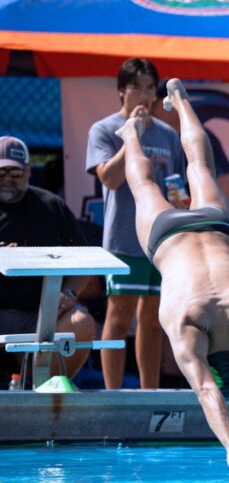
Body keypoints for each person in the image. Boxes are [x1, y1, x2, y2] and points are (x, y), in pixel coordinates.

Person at [118, 80, 229, 475]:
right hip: (168, 236)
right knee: (143, 185)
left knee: (199, 167)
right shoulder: (188, 325)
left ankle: (179, 100)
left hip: (216, 228)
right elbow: (206, 391)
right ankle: (131, 135)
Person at [86, 58, 187, 390]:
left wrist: (181, 200)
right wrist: (132, 134)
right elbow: (110, 179)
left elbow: (174, 183)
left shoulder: (169, 135)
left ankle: (150, 394)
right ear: (121, 91)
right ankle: (114, 395)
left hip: (159, 241)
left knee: (154, 321)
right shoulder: (103, 129)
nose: (145, 95)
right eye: (137, 87)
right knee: (118, 318)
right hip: (124, 241)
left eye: (150, 88)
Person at [0, 136, 96, 382]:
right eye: (1, 172)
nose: (8, 178)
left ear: (29, 171)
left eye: (15, 172)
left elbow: (84, 262)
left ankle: (45, 387)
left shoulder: (51, 206)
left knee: (81, 322)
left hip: (41, 316)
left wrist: (69, 295)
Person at [150, 80, 229, 202]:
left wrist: (209, 212)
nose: (151, 109)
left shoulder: (199, 135)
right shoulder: (149, 136)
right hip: (160, 213)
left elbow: (226, 179)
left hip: (192, 214)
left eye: (155, 103)